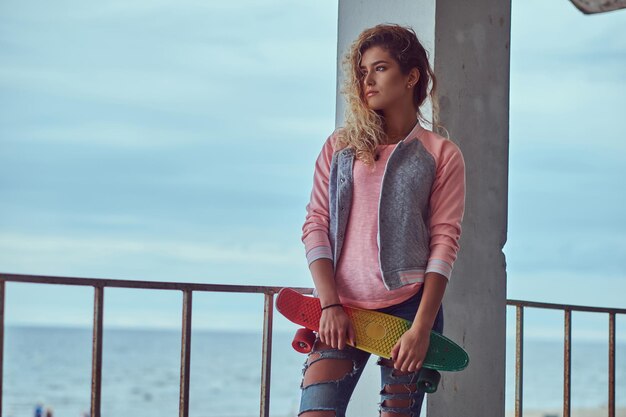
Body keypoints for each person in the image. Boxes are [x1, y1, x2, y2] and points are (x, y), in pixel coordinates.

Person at [298, 23, 466, 417]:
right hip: (340, 307)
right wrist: (328, 304)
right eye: (362, 72)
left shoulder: (441, 154)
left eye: (379, 68)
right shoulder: (340, 147)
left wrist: (422, 328)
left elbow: (444, 241)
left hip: (407, 310)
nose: (367, 81)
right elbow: (315, 223)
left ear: (411, 76)